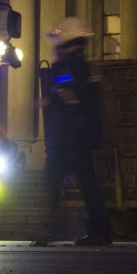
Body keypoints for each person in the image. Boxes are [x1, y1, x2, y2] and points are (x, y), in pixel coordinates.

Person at [36, 16, 112, 246]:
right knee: (84, 183)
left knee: (55, 179)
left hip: (71, 137)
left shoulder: (72, 67)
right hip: (76, 137)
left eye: (58, 41)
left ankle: (53, 230)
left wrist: (52, 97)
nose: (56, 46)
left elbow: (70, 96)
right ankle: (98, 230)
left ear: (67, 41)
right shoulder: (82, 66)